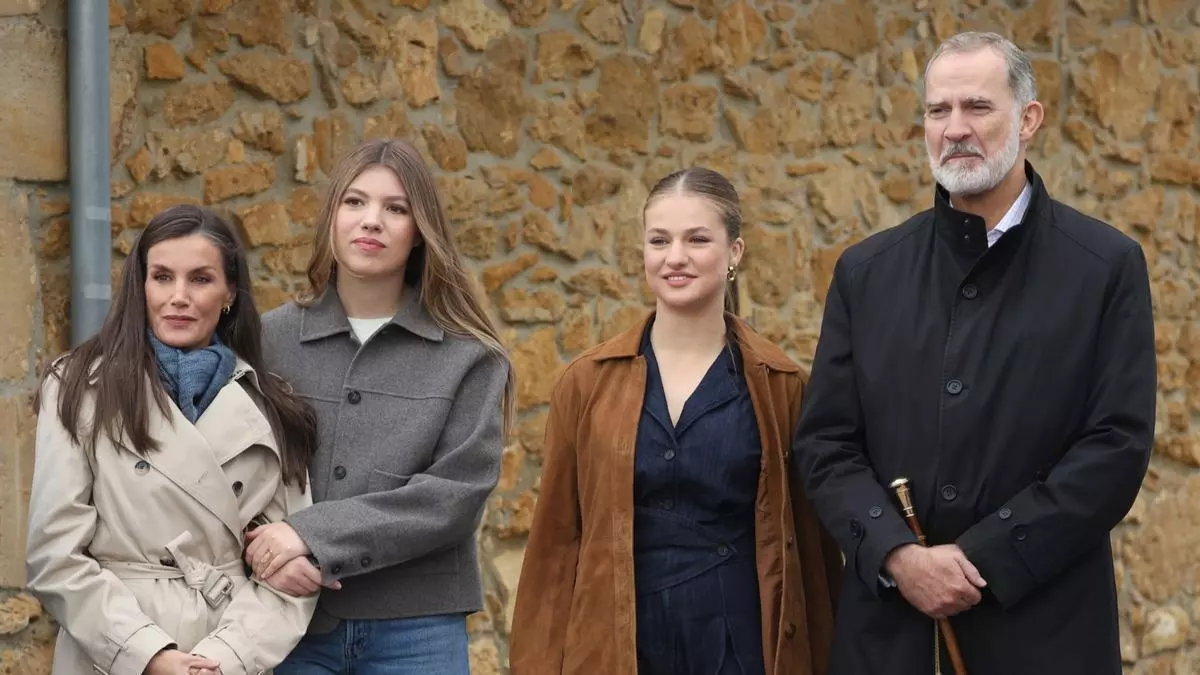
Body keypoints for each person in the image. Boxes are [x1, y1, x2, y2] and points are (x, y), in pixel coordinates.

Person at [792, 31, 1157, 675]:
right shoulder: (866, 273)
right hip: (890, 640)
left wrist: (981, 559)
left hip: (1046, 637)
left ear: (1029, 118)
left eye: (977, 107)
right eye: (938, 110)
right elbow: (826, 444)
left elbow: (1115, 448)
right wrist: (898, 555)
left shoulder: (1105, 267)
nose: (954, 128)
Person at [510, 167, 843, 675]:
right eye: (660, 240)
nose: (675, 257)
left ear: (734, 252)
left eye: (697, 239)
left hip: (739, 645)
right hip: (615, 648)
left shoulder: (782, 386)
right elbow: (556, 545)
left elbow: (813, 557)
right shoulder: (586, 384)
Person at [246, 138, 514, 675]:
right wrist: (261, 548)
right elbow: (230, 471)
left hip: (418, 628)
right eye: (355, 201)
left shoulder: (471, 357)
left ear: (420, 232)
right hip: (288, 620)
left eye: (396, 208)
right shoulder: (267, 340)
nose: (372, 220)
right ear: (332, 216)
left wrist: (311, 536)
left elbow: (454, 496)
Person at [25, 205, 320, 675]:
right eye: (162, 277)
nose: (178, 297)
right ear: (141, 286)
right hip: (113, 648)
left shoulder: (272, 404)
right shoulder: (78, 387)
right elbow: (54, 557)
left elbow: (290, 569)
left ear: (229, 293)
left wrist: (223, 660)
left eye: (200, 279)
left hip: (231, 647)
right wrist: (148, 656)